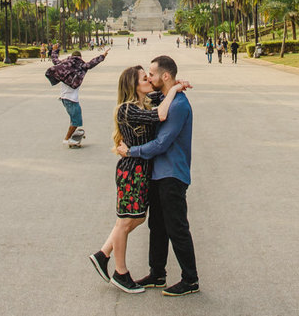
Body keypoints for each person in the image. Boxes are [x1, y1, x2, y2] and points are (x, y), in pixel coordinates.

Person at [90, 66, 187, 293]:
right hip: (131, 171)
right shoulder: (126, 109)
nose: (149, 80)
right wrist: (175, 89)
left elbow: (160, 95)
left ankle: (103, 254)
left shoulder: (145, 101)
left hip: (143, 171)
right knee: (125, 222)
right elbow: (161, 114)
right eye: (145, 78)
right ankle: (120, 273)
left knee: (135, 219)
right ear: (133, 85)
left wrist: (174, 85)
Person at [116, 55, 198, 297]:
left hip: (172, 173)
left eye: (151, 74)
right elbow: (141, 102)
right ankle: (157, 273)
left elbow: (162, 143)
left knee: (177, 228)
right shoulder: (163, 98)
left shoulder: (178, 105)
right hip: (157, 174)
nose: (149, 78)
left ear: (165, 76)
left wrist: (132, 151)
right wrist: (176, 86)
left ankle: (190, 279)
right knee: (157, 226)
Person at [47, 46, 110, 144]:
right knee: (77, 120)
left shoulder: (64, 64)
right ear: (80, 57)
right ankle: (67, 139)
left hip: (65, 98)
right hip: (71, 99)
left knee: (74, 119)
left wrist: (55, 50)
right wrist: (103, 56)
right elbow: (91, 63)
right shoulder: (80, 65)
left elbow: (54, 60)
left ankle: (71, 135)